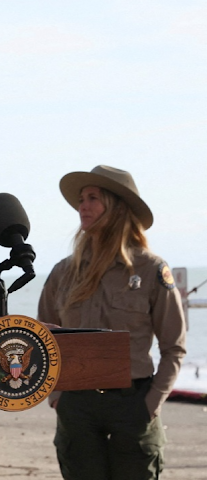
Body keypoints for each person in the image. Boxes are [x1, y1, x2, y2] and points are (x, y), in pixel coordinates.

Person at [38, 165, 186, 480]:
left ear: (117, 207)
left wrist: (151, 403)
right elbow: (42, 341)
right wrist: (57, 396)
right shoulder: (62, 273)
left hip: (133, 403)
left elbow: (174, 346)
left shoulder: (151, 270)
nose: (82, 206)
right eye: (81, 199)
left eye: (93, 198)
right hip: (77, 406)